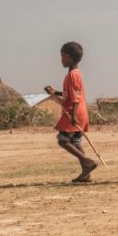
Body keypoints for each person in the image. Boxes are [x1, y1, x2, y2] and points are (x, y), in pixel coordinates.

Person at [44, 41, 97, 183]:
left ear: (69, 57)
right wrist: (55, 92)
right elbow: (70, 93)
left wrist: (73, 115)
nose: (61, 60)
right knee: (76, 142)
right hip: (80, 111)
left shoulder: (72, 75)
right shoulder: (76, 74)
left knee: (62, 140)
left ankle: (87, 162)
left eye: (62, 57)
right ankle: (86, 174)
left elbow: (75, 96)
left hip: (74, 111)